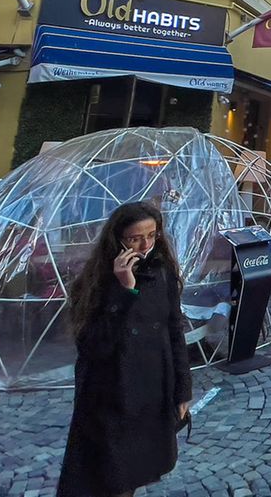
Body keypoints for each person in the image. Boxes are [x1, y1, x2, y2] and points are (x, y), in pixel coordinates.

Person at [59, 202, 193, 497]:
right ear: (118, 239)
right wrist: (124, 289)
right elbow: (93, 345)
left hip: (152, 388)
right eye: (135, 238)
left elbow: (174, 329)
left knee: (134, 473)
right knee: (111, 477)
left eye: (152, 235)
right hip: (111, 395)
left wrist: (183, 389)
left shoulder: (162, 271)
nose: (145, 245)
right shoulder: (96, 281)